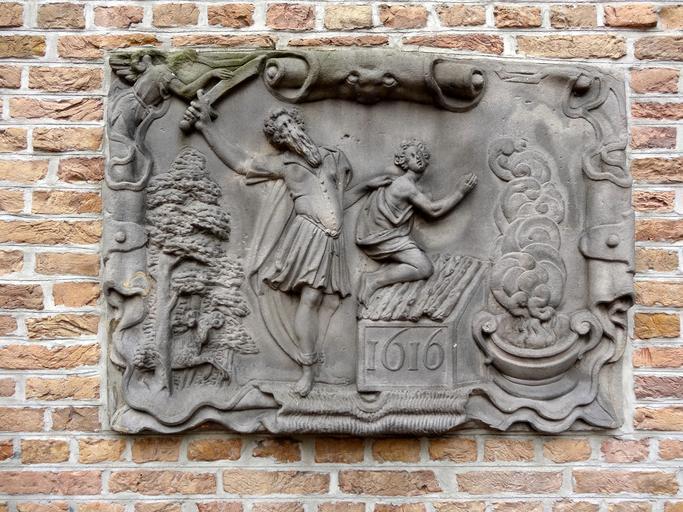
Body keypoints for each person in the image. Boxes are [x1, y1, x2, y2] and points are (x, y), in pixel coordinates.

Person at [183, 93, 389, 396]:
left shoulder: (332, 158)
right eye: (280, 129)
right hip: (308, 237)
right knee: (310, 298)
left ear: (298, 123)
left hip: (333, 241)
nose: (287, 130)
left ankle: (313, 357)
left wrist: (367, 187)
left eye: (289, 123)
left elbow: (340, 203)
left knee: (329, 302)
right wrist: (206, 128)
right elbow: (242, 163)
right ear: (279, 139)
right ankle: (308, 370)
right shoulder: (284, 164)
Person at [355, 138, 478, 305]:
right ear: (404, 162)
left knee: (422, 266)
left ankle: (381, 276)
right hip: (383, 238)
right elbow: (434, 211)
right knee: (424, 268)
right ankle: (373, 280)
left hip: (387, 235)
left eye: (419, 154)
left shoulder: (410, 185)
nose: (418, 158)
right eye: (412, 156)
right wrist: (460, 192)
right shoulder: (405, 185)